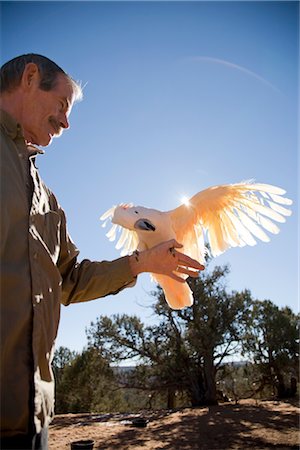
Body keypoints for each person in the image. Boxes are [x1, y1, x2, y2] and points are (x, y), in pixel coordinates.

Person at [0, 54, 204, 449]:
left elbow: (69, 280)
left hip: (32, 417)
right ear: (29, 78)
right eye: (61, 106)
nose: (66, 122)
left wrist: (143, 262)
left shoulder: (45, 197)